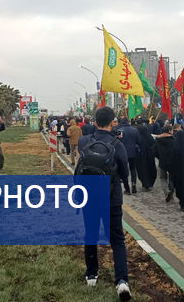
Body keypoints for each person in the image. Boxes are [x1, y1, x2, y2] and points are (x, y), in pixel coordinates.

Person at [78, 107, 131, 300]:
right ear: (112, 122)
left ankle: (91, 274)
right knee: (117, 238)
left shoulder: (84, 141)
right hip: (111, 198)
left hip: (89, 196)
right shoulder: (117, 144)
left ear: (95, 121)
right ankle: (122, 282)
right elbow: (124, 171)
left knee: (90, 234)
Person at [117, 118, 141, 194]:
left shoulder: (120, 131)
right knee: (133, 169)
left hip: (123, 153)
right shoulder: (135, 130)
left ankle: (127, 188)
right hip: (133, 152)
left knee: (124, 170)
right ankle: (133, 184)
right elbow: (138, 141)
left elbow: (118, 142)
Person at [155, 125, 175, 202]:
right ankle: (171, 192)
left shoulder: (157, 139)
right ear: (170, 131)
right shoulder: (173, 140)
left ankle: (166, 192)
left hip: (162, 161)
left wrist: (159, 157)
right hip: (172, 162)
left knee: (163, 178)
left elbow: (155, 151)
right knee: (172, 178)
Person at [135, 120, 156, 191]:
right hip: (150, 156)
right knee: (150, 169)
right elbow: (153, 145)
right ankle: (150, 183)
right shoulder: (149, 136)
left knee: (142, 170)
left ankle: (145, 183)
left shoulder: (138, 137)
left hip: (140, 156)